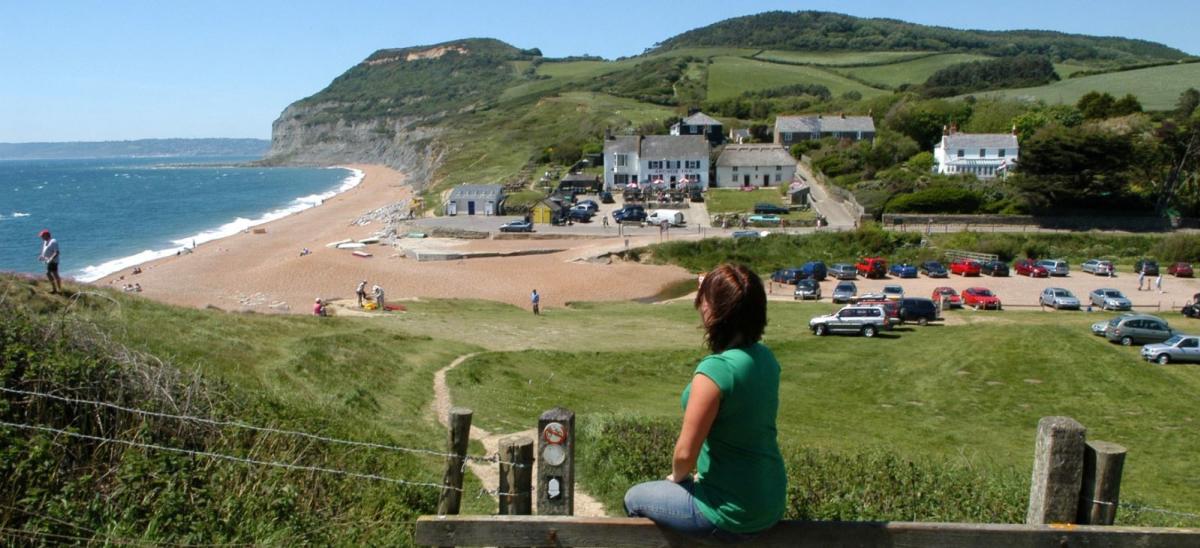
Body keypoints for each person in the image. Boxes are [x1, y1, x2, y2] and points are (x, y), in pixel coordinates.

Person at [623, 263, 785, 542]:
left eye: (704, 299)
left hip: (731, 511)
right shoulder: (766, 359)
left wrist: (678, 479)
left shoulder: (715, 372)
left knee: (634, 499)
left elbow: (685, 454)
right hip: (770, 500)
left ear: (713, 310)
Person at [37, 230, 62, 294]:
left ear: (47, 235)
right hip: (48, 261)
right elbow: (45, 251)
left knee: (48, 273)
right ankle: (58, 289)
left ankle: (55, 289)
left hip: (53, 261)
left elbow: (57, 252)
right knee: (55, 274)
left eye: (42, 236)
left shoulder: (53, 241)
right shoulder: (45, 241)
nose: (41, 237)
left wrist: (50, 259)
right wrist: (41, 256)